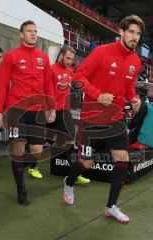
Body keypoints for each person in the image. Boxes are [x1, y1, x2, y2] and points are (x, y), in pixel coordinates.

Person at [63, 15, 145, 223]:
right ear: (121, 32)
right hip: (92, 120)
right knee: (86, 164)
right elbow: (78, 77)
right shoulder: (101, 52)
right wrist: (97, 94)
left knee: (123, 161)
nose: (135, 37)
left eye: (138, 34)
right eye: (131, 32)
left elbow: (127, 87)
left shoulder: (136, 60)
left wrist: (133, 98)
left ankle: (111, 206)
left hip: (116, 119)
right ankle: (69, 181)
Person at [0, 20, 56, 205]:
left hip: (37, 111)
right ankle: (21, 190)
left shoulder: (43, 58)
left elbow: (48, 85)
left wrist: (51, 107)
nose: (33, 34)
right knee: (18, 149)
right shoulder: (12, 56)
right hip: (16, 110)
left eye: (35, 31)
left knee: (36, 152)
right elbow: (3, 85)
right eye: (29, 31)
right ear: (21, 34)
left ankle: (18, 168)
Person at [48, 45, 90, 184]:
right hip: (50, 111)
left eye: (72, 59)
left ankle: (74, 174)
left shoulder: (70, 71)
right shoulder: (51, 70)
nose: (70, 61)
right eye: (67, 58)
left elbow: (79, 82)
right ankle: (31, 166)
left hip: (64, 112)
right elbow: (46, 91)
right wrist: (50, 108)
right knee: (38, 143)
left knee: (70, 143)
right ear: (60, 55)